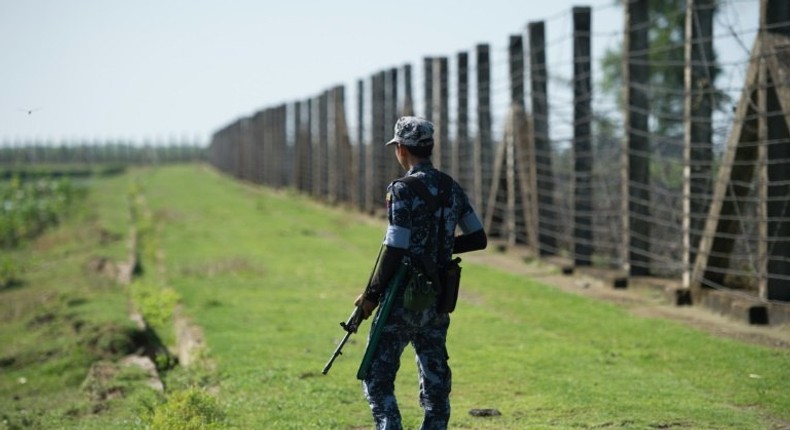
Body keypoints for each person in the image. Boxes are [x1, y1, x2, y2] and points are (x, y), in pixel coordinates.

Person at [355, 116, 487, 430]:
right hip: (438, 294)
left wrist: (372, 295)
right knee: (435, 374)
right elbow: (478, 237)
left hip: (402, 295)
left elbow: (396, 245)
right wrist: (440, 247)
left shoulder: (401, 189)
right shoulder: (450, 187)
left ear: (401, 149)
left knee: (376, 375)